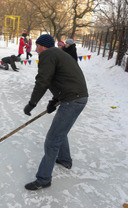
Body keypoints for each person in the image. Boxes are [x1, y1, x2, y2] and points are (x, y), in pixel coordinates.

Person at [23, 34, 88, 191]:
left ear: (44, 46)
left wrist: (32, 103)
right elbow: (61, 79)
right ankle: (65, 159)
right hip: (76, 97)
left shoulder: (48, 54)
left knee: (52, 140)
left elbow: (43, 81)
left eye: (37, 45)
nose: (35, 49)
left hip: (73, 100)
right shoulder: (58, 53)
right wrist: (54, 100)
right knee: (60, 131)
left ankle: (44, 179)